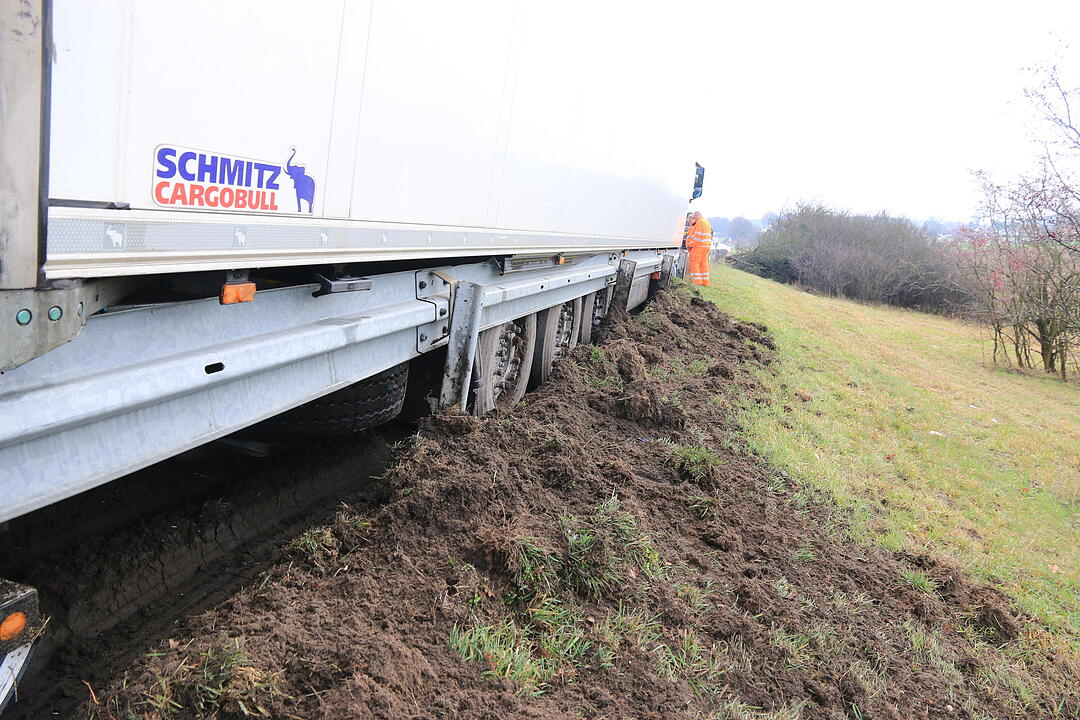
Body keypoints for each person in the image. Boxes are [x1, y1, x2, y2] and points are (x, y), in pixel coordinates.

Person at [684, 211, 712, 287]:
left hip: (698, 247)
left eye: (693, 217)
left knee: (694, 264)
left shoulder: (699, 222)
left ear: (696, 216)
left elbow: (697, 237)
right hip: (706, 246)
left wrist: (691, 247)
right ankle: (705, 282)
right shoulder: (706, 222)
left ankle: (697, 282)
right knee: (703, 264)